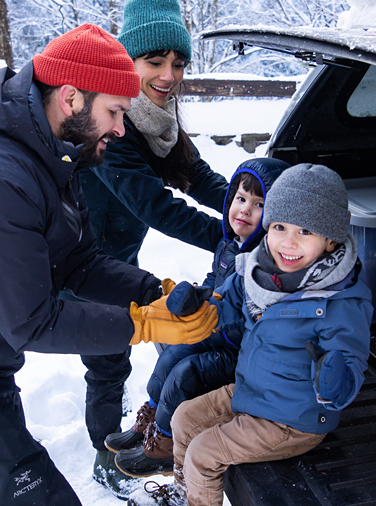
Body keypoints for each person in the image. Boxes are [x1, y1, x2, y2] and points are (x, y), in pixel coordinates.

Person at [0, 24, 219, 506]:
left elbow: (77, 263)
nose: (120, 129)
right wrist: (141, 325)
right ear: (72, 98)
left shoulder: (52, 156)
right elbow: (32, 321)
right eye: (115, 112)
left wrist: (150, 290)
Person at [128, 164, 375, 506]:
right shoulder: (256, 272)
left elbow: (350, 369)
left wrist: (334, 379)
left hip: (294, 419)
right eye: (279, 227)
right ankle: (184, 494)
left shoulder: (340, 301)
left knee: (203, 454)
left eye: (305, 231)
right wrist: (193, 305)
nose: (288, 242)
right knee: (184, 417)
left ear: (330, 239)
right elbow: (222, 309)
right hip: (252, 392)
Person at [77, 0, 229, 496]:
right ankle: (107, 461)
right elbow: (155, 206)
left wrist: (253, 201)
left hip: (116, 255)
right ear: (128, 62)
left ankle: (121, 441)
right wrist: (231, 236)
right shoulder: (111, 124)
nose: (169, 75)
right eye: (155, 62)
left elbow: (197, 176)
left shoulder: (155, 119)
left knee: (116, 351)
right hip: (83, 261)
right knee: (107, 359)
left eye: (178, 63)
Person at [105, 157, 290, 478]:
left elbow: (250, 320)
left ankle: (164, 445)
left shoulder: (265, 262)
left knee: (186, 372)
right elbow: (213, 284)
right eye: (240, 199)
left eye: (259, 204)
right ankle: (149, 418)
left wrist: (206, 328)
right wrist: (195, 304)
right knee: (171, 354)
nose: (244, 210)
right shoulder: (229, 244)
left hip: (241, 353)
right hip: (218, 333)